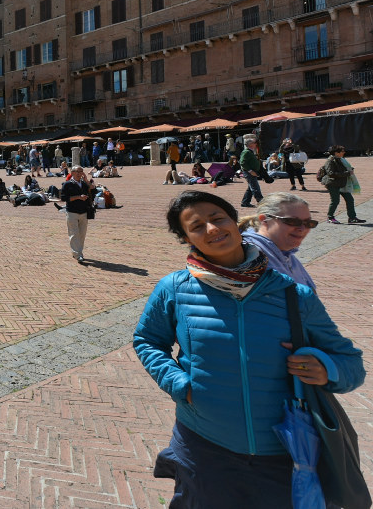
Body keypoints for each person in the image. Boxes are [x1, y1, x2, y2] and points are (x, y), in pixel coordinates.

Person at [134, 190, 364, 507]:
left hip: (283, 450)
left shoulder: (293, 294)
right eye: (197, 226)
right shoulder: (174, 288)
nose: (212, 229)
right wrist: (177, 383)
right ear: (186, 238)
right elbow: (148, 340)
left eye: (218, 218)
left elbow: (351, 364)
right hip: (203, 446)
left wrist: (327, 369)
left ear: (235, 222)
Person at [239, 192, 317, 290]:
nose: (302, 228)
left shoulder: (284, 252)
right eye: (292, 221)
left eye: (309, 223)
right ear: (264, 220)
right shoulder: (253, 258)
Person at [322, 144, 365, 224]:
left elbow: (341, 170)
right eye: (342, 151)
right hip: (333, 184)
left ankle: (352, 217)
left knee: (350, 200)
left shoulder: (341, 159)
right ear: (336, 153)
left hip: (342, 184)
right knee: (335, 201)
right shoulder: (330, 161)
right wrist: (347, 173)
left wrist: (349, 170)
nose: (344, 152)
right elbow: (331, 174)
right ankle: (330, 217)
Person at [60, 166, 92, 263]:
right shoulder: (67, 184)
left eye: (81, 171)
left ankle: (78, 252)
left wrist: (86, 180)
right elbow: (63, 198)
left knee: (82, 234)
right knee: (74, 234)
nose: (79, 173)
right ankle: (78, 254)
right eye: (77, 171)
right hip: (72, 212)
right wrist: (78, 197)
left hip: (84, 212)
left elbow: (93, 190)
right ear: (72, 173)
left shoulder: (84, 184)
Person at [239, 134, 263, 208]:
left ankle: (245, 202)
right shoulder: (246, 152)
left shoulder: (250, 151)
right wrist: (250, 171)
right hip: (249, 172)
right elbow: (242, 162)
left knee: (251, 188)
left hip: (251, 172)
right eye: (254, 143)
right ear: (250, 144)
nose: (256, 144)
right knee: (255, 188)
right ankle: (261, 202)